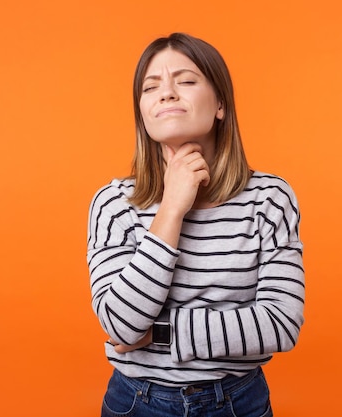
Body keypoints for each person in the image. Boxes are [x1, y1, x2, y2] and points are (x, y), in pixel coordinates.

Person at [87, 32, 305, 417]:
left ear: (220, 103)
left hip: (239, 403)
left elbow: (281, 323)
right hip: (136, 403)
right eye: (150, 87)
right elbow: (121, 325)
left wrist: (159, 334)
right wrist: (171, 208)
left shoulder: (270, 198)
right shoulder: (114, 203)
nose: (167, 94)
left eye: (185, 81)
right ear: (142, 110)